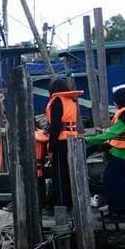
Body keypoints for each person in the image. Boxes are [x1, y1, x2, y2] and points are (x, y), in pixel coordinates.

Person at [85, 84, 125, 220]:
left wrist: (88, 139)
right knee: (120, 183)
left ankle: (117, 212)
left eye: (116, 100)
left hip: (121, 155)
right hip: (124, 153)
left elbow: (111, 134)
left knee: (114, 183)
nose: (114, 102)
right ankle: (119, 210)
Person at [45, 79, 82, 210]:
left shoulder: (57, 101)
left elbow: (56, 126)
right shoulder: (71, 100)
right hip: (73, 139)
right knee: (70, 172)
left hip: (61, 141)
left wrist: (50, 146)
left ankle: (61, 203)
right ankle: (71, 201)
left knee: (59, 173)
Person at [35, 128, 50, 210]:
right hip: (41, 167)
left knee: (39, 186)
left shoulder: (34, 136)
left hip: (36, 168)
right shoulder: (43, 134)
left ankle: (40, 204)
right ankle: (42, 203)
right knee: (41, 185)